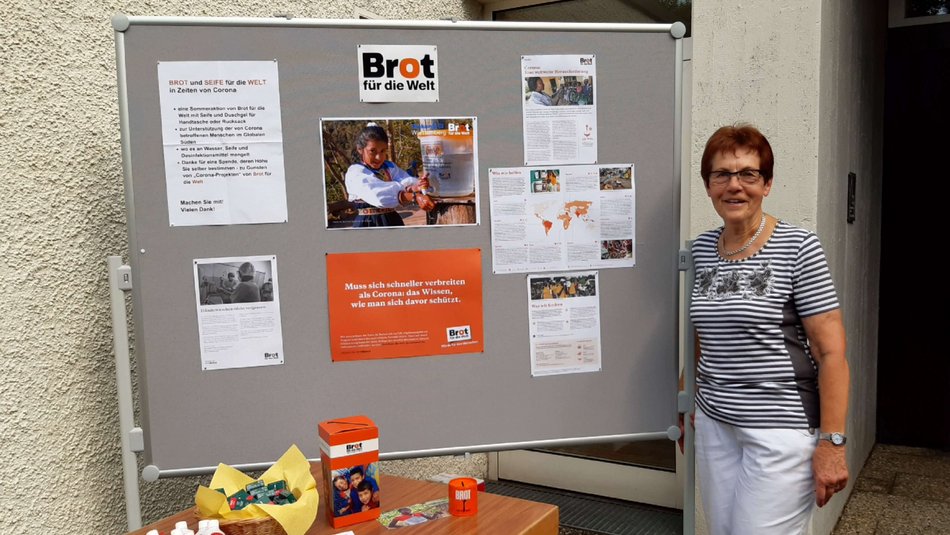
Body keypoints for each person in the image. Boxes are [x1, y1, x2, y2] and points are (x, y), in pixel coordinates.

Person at [685, 123, 849, 535]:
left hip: (780, 431)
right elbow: (704, 334)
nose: (734, 186)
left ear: (767, 183)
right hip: (714, 422)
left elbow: (832, 353)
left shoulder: (799, 248)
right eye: (721, 174)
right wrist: (685, 399)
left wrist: (832, 443)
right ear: (708, 186)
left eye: (748, 174)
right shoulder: (702, 250)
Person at [345, 124, 435, 227]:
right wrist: (413, 194)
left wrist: (419, 185)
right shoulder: (355, 172)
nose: (379, 157)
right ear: (360, 149)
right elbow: (378, 195)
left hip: (392, 220)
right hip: (369, 223)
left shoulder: (389, 167)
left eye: (383, 151)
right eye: (372, 151)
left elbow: (406, 180)